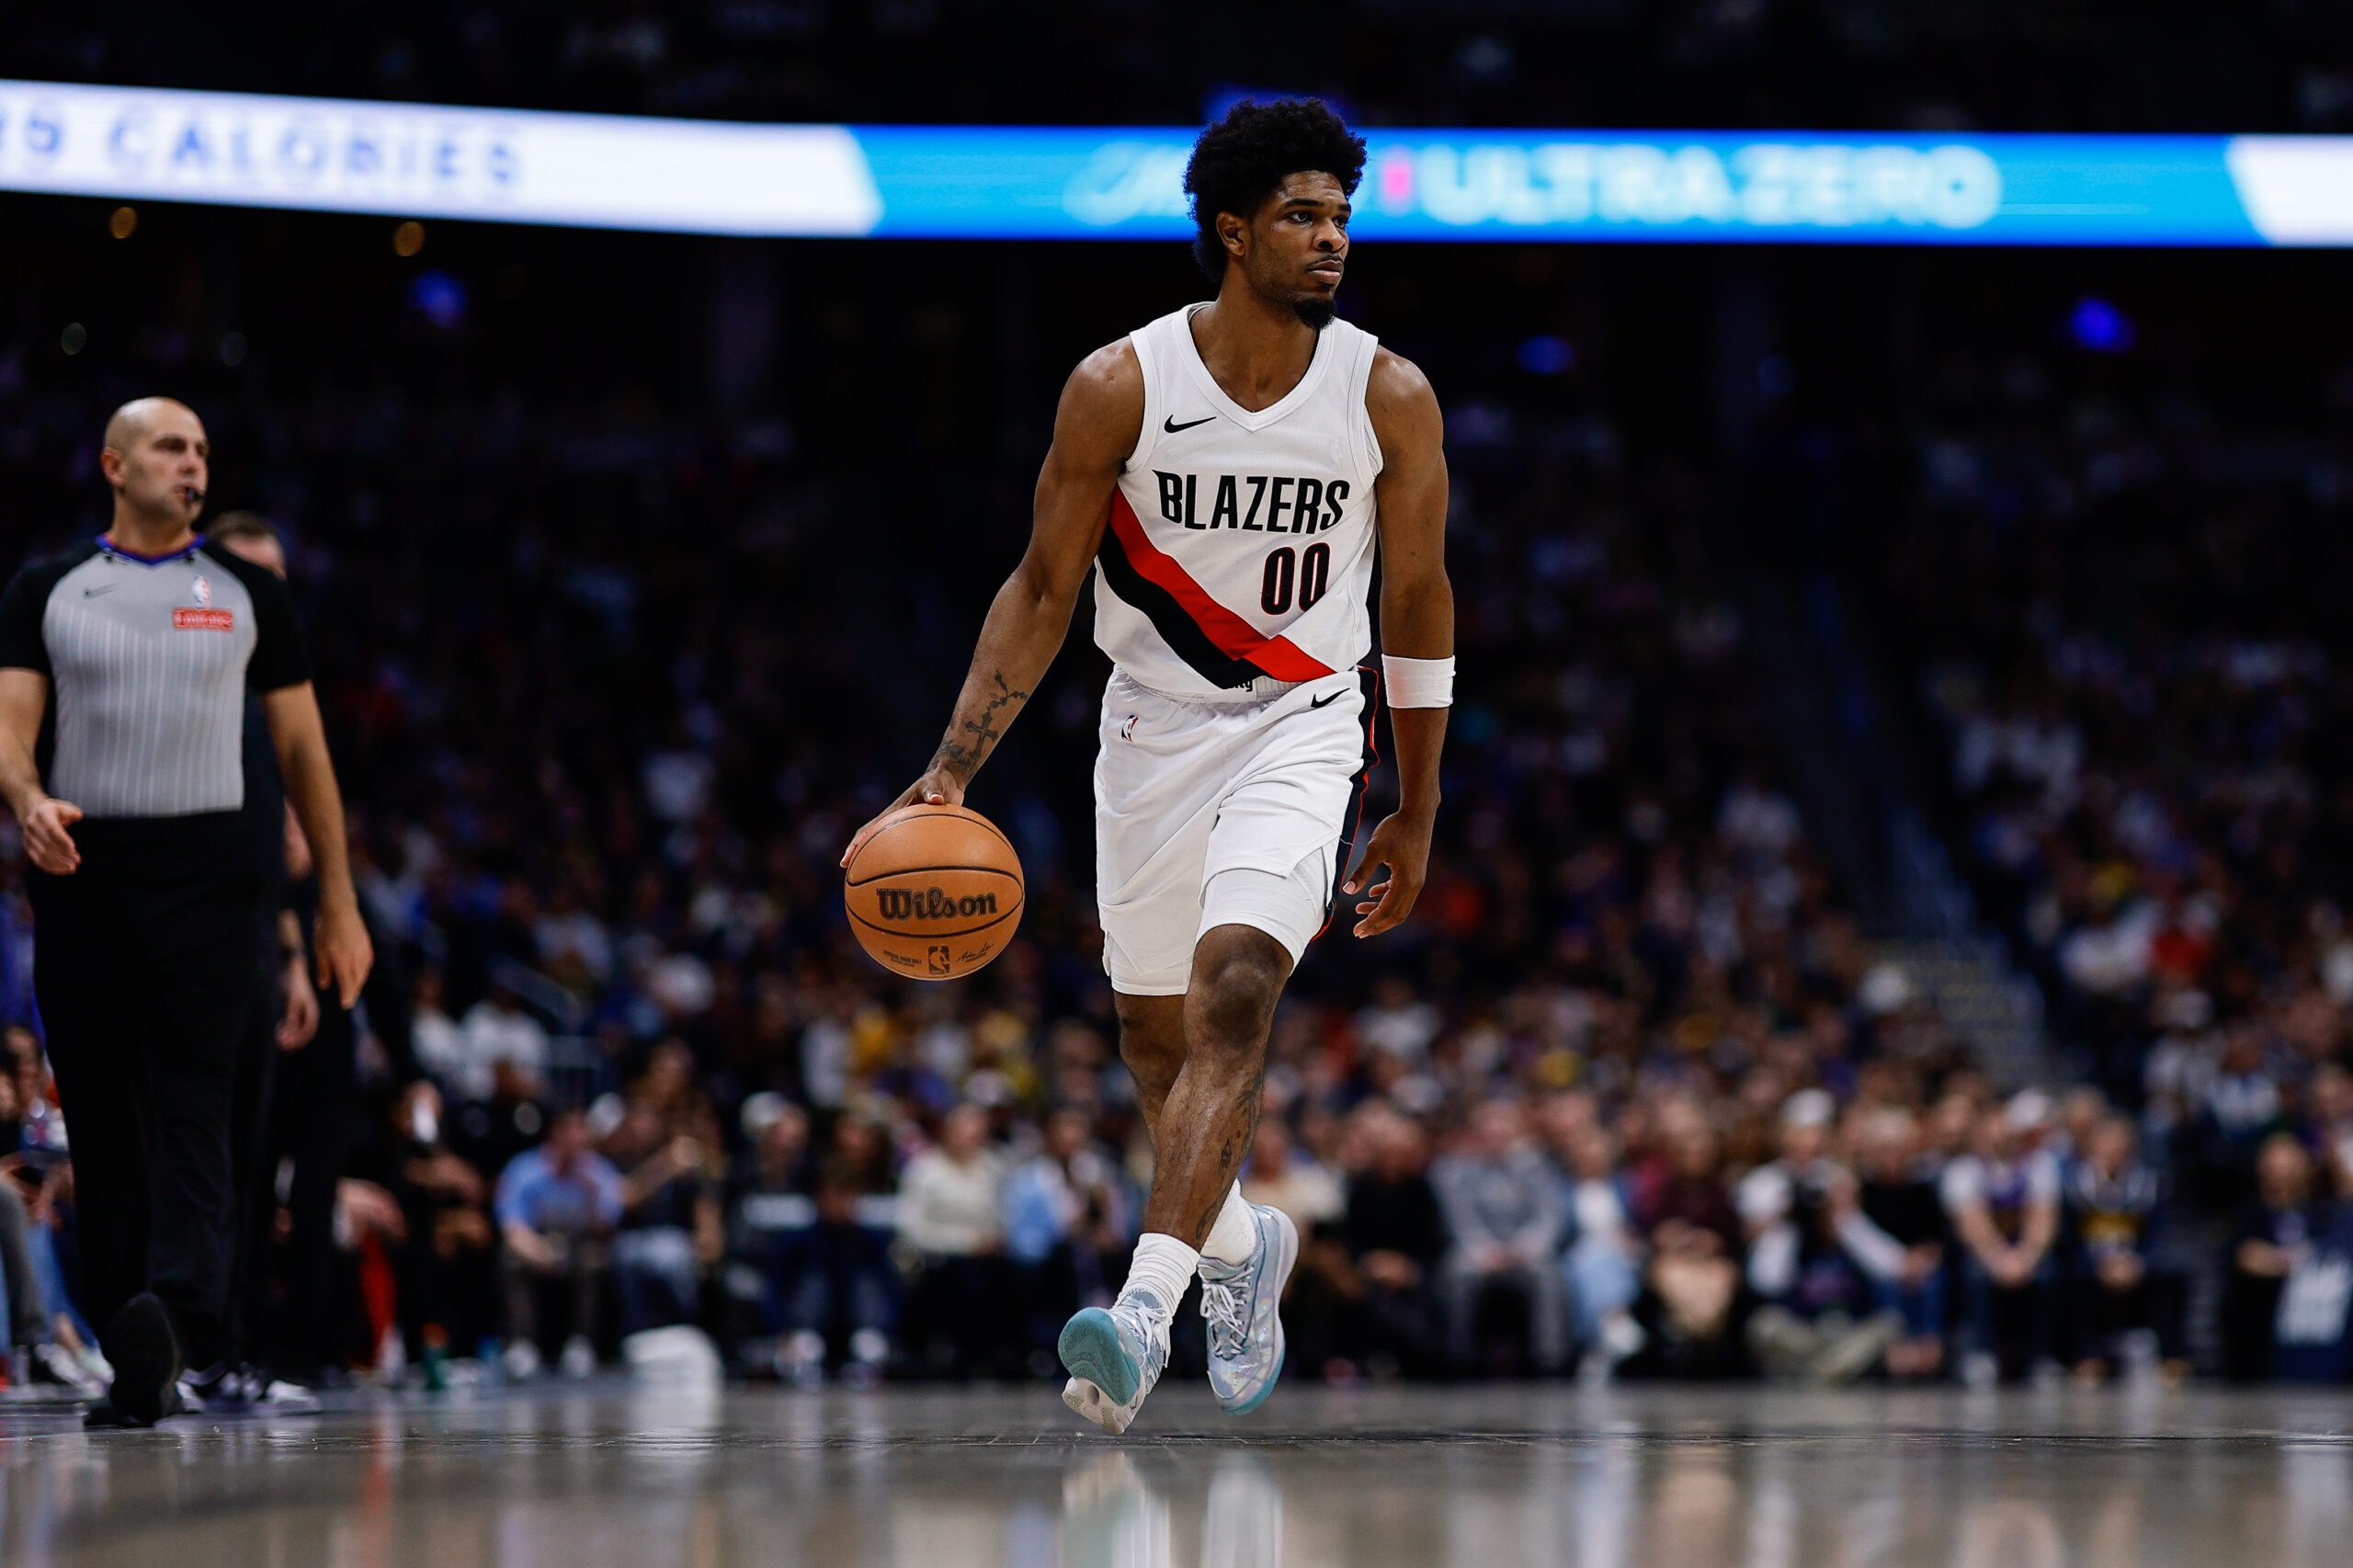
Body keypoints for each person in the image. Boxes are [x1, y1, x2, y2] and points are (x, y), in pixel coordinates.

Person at [844, 97, 1453, 1435]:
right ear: (1231, 232)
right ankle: (1242, 1252)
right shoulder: (1120, 384)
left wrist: (1415, 799)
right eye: (1304, 215)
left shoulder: (1386, 394)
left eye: (1343, 217)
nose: (1333, 240)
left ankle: (1141, 1313)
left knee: (1239, 989)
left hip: (1303, 723)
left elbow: (1418, 598)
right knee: (1151, 1040)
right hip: (1150, 729)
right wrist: (952, 769)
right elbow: (1044, 582)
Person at [0, 398, 372, 1426]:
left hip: (215, 871)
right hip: (85, 861)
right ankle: (136, 1343)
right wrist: (28, 802)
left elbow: (305, 753)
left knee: (196, 1102)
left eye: (205, 448)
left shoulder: (253, 591)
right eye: (172, 446)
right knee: (105, 1115)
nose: (193, 463)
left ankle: (184, 1304)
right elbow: (9, 723)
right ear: (115, 464)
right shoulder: (48, 587)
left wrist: (336, 898)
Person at [494, 1108, 622, 1380]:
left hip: (579, 1247)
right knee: (511, 1259)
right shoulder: (524, 1169)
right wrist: (539, 1253)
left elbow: (606, 1229)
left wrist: (590, 1194)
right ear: (557, 1134)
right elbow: (511, 1226)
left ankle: (581, 1344)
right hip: (536, 1244)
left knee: (595, 1260)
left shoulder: (599, 1172)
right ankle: (522, 1344)